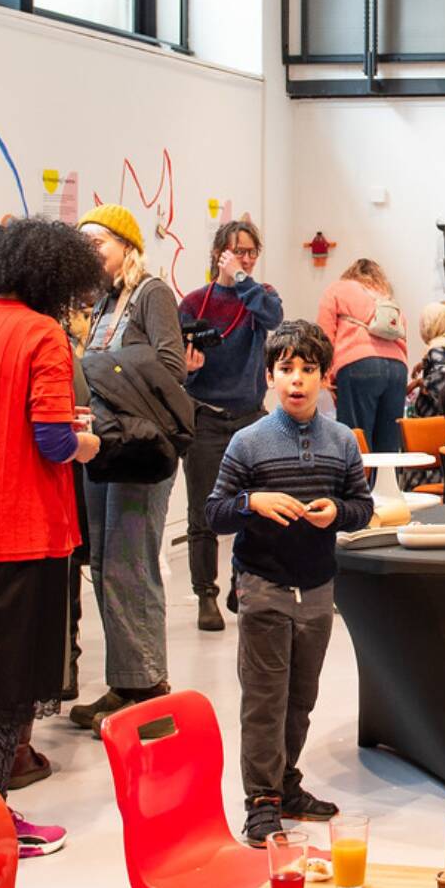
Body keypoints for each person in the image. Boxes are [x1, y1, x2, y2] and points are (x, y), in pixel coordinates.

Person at [0, 217, 102, 858]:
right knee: (10, 686)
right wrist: (87, 443)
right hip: (19, 527)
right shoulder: (42, 334)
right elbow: (53, 440)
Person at [206, 320, 375, 842]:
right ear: (270, 376)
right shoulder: (248, 442)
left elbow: (362, 507)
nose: (297, 379)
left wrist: (338, 512)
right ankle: (261, 800)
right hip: (263, 586)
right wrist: (251, 501)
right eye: (286, 369)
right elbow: (214, 513)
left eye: (308, 369)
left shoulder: (341, 440)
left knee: (301, 697)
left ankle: (284, 781)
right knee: (265, 699)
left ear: (325, 378)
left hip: (318, 588)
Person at [67, 203, 194, 729]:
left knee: (132, 565)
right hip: (104, 445)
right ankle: (125, 683)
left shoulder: (151, 293)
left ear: (127, 246)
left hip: (140, 447)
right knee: (105, 565)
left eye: (98, 243)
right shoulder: (102, 304)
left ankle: (150, 691)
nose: (90, 253)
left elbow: (171, 367)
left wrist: (106, 375)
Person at [178, 219, 284, 632]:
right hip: (205, 416)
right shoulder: (194, 303)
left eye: (252, 252)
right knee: (203, 512)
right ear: (219, 253)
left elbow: (273, 317)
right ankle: (206, 593)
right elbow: (174, 362)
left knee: (258, 508)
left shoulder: (259, 296)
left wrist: (241, 278)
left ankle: (242, 580)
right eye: (239, 251)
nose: (247, 259)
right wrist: (188, 370)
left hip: (251, 418)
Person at [318, 258, 408, 452]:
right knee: (388, 444)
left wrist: (326, 375)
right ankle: (386, 474)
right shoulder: (387, 298)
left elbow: (324, 336)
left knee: (356, 439)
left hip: (358, 365)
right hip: (398, 369)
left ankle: (357, 474)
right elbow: (403, 333)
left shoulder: (338, 289)